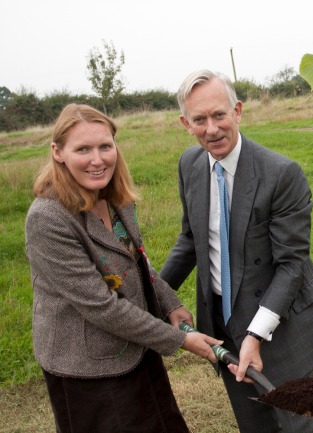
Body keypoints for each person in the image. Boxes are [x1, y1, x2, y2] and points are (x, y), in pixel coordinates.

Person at [24, 103, 222, 433]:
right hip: (89, 368)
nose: (97, 159)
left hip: (136, 348)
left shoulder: (115, 196)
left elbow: (137, 261)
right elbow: (102, 307)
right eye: (82, 149)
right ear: (58, 152)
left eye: (105, 146)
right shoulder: (48, 219)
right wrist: (180, 340)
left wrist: (170, 302)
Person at [160, 70, 313, 432]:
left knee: (296, 423)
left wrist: (257, 335)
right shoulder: (189, 166)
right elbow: (190, 240)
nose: (212, 129)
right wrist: (156, 294)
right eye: (200, 119)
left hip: (280, 323)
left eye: (219, 115)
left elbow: (292, 264)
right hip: (224, 326)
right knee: (253, 422)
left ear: (237, 111)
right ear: (185, 123)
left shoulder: (281, 173)